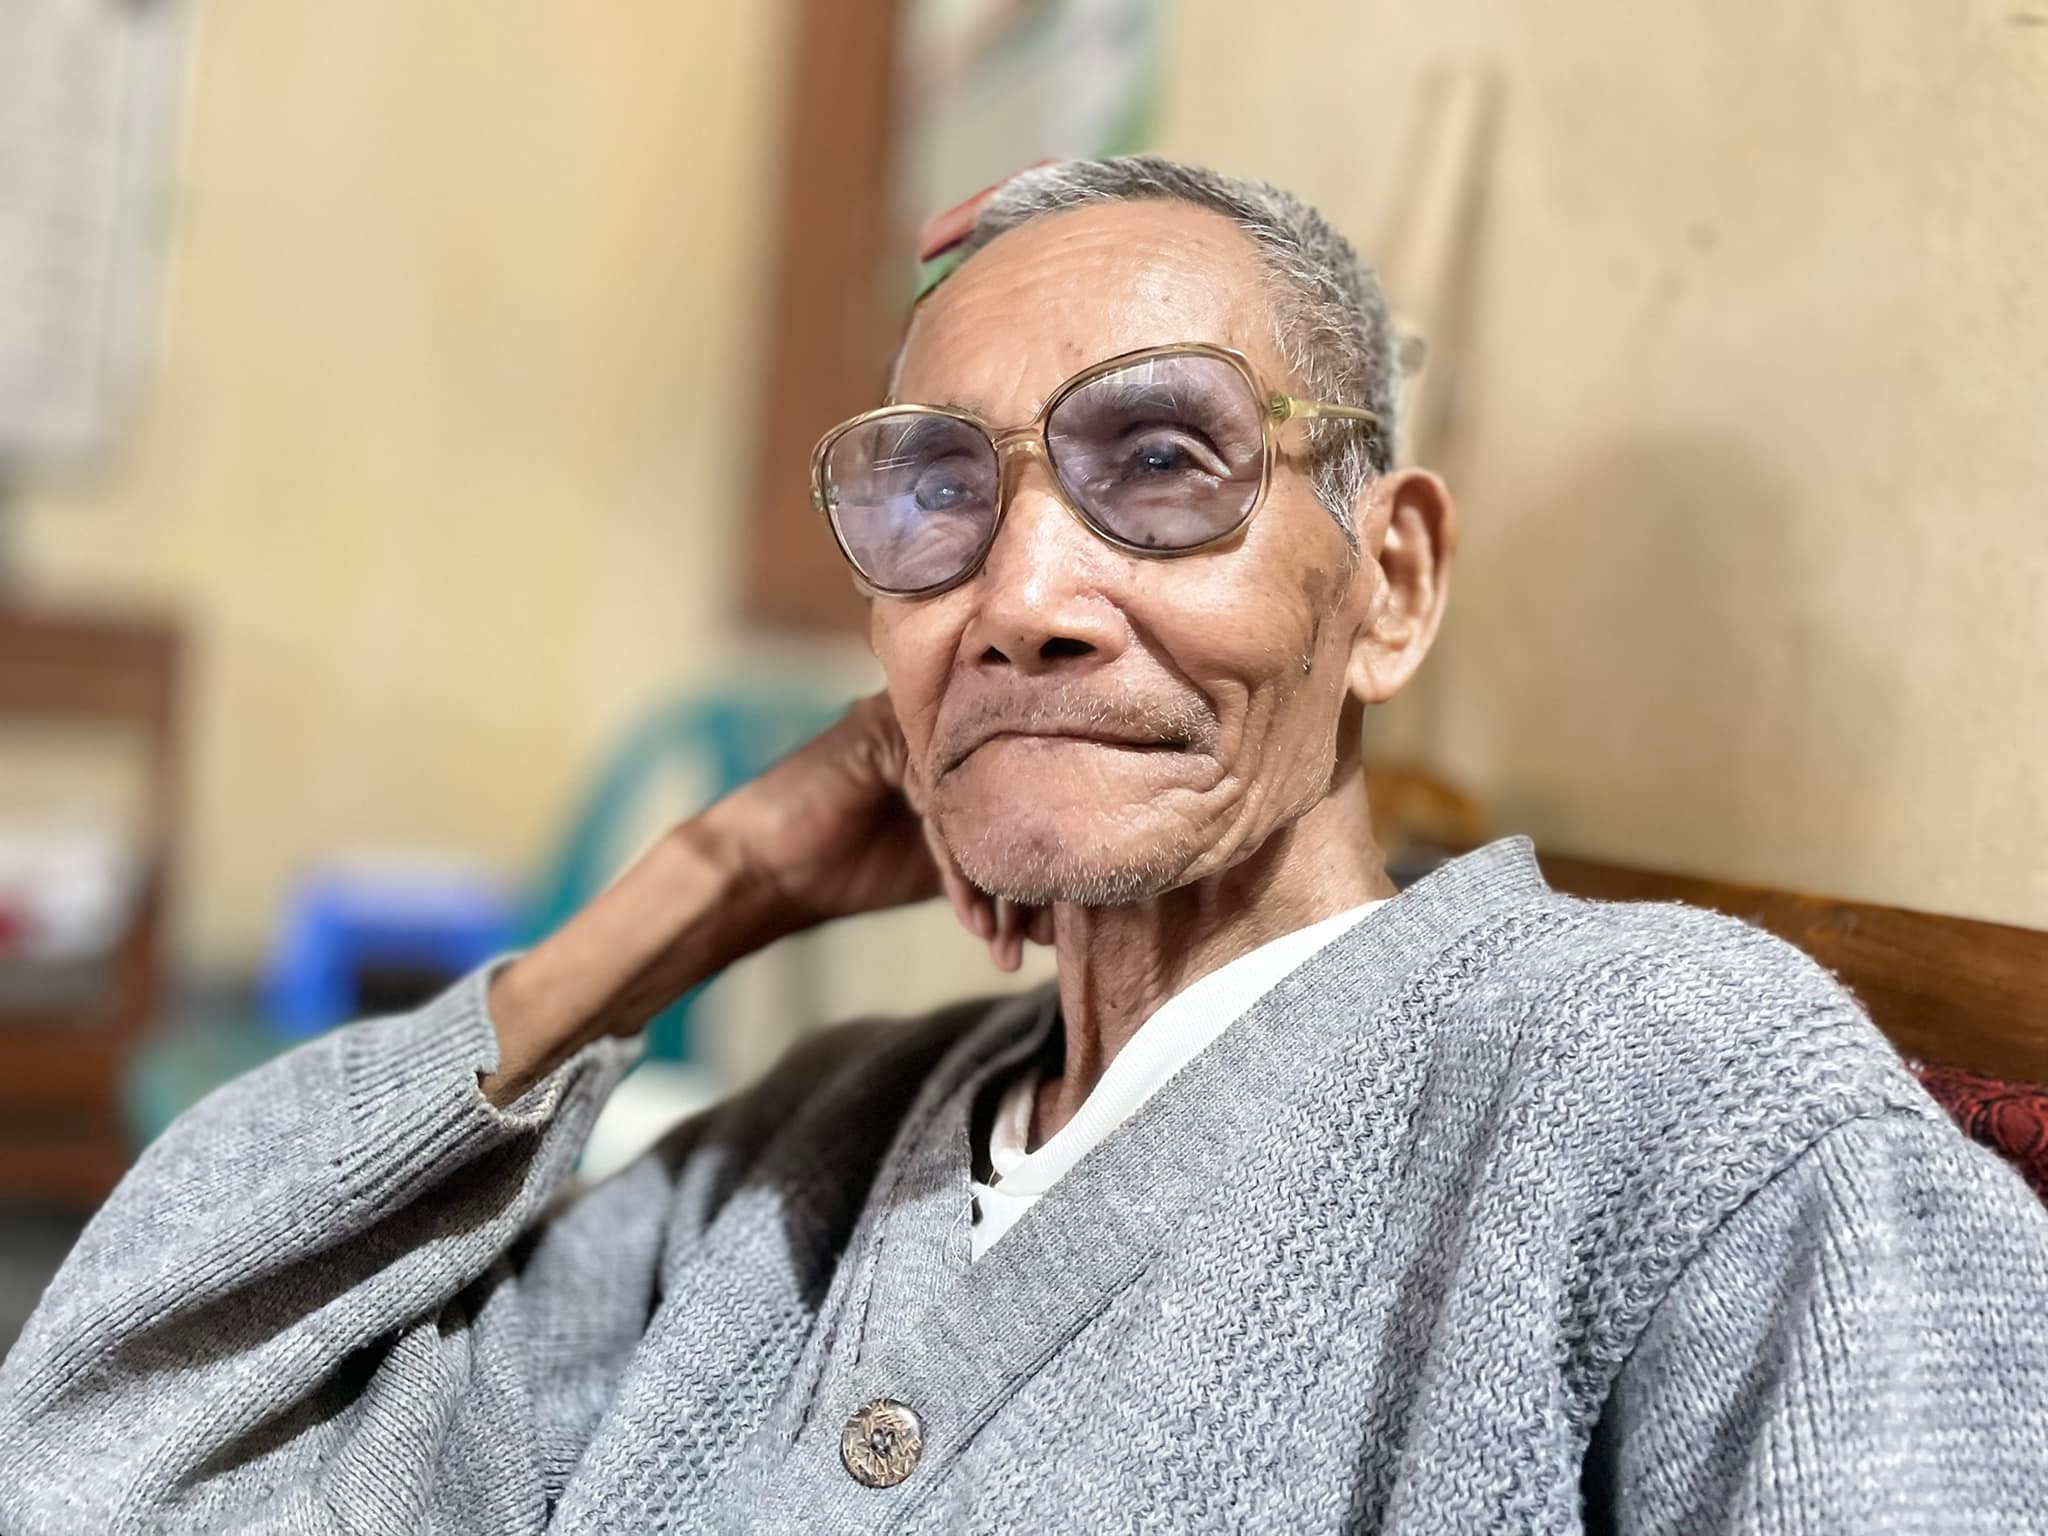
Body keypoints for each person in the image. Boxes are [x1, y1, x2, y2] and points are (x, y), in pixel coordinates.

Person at [4, 156, 2044, 1535]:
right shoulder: (808, 1156)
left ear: (1392, 584)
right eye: (934, 500)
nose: (1023, 598)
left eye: (1162, 461)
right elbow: (105, 1464)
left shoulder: (1675, 1086)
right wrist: (707, 888)